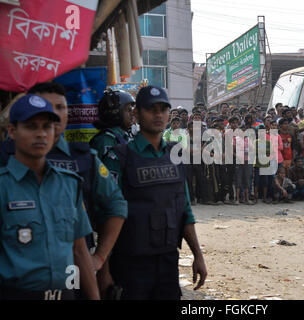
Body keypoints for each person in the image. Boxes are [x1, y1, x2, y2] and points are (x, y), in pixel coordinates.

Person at [0, 83, 128, 299]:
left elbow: (80, 248)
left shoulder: (70, 182)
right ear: (12, 131)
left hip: (68, 290)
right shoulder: (4, 180)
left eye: (47, 126)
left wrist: (99, 262)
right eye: (31, 126)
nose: (41, 134)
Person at [102, 85, 207, 299]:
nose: (158, 114)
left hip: (168, 262)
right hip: (130, 264)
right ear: (136, 114)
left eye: (163, 109)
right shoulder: (119, 158)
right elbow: (105, 216)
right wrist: (103, 270)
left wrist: (198, 255)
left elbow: (184, 209)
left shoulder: (174, 156)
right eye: (151, 109)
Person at [89, 89, 135, 163]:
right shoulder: (106, 140)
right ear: (115, 113)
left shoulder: (125, 136)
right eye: (129, 110)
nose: (133, 114)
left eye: (132, 110)